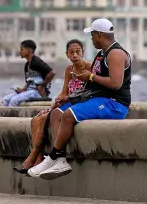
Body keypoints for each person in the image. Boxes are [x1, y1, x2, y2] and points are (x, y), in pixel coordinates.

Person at [29, 18, 132, 180]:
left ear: (99, 34)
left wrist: (90, 76)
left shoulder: (116, 54)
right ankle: (60, 159)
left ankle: (54, 157)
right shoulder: (101, 55)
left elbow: (115, 83)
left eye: (92, 35)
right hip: (99, 99)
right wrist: (69, 97)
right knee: (56, 113)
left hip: (114, 104)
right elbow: (95, 85)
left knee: (68, 115)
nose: (91, 38)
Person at [13, 39, 90, 174]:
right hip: (67, 102)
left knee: (44, 119)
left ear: (83, 52)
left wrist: (64, 100)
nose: (75, 55)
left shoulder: (89, 68)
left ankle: (32, 158)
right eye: (71, 52)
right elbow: (64, 91)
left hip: (78, 104)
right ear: (67, 54)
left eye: (78, 52)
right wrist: (53, 104)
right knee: (36, 119)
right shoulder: (69, 70)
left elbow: (89, 92)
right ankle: (38, 158)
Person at [1, 39, 55, 107]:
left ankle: (12, 117)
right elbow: (30, 81)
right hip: (29, 91)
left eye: (22, 49)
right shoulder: (27, 65)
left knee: (14, 100)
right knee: (5, 99)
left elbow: (51, 73)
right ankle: (4, 117)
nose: (20, 52)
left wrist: (42, 86)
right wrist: (22, 89)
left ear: (29, 50)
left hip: (37, 92)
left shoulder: (36, 62)